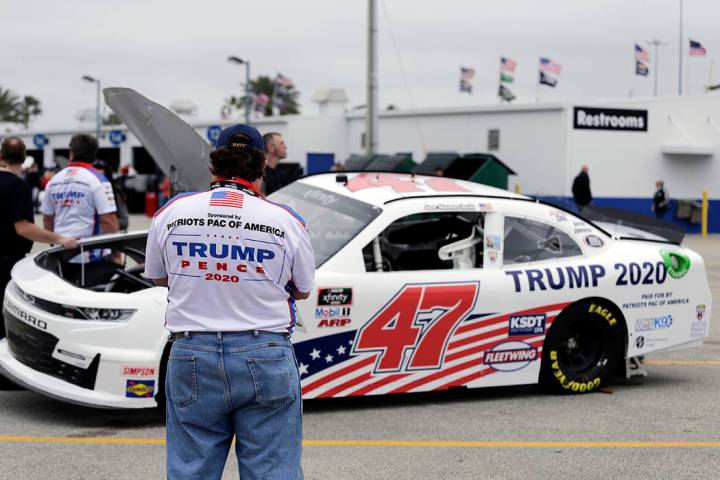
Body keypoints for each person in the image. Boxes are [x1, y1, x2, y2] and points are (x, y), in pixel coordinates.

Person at [144, 124, 314, 480]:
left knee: (192, 471)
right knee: (273, 472)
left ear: (213, 165)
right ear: (263, 166)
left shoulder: (172, 212)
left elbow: (160, 278)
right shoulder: (286, 221)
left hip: (192, 353)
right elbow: (301, 289)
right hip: (265, 352)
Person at [0, 137, 78, 334]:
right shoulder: (18, 186)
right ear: (24, 157)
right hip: (5, 261)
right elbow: (23, 227)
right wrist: (60, 238)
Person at [41, 134, 119, 264]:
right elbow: (108, 221)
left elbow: (47, 219)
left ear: (71, 153)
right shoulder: (98, 179)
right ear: (94, 154)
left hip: (60, 254)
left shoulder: (53, 180)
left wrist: (54, 243)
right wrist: (117, 253)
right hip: (92, 257)